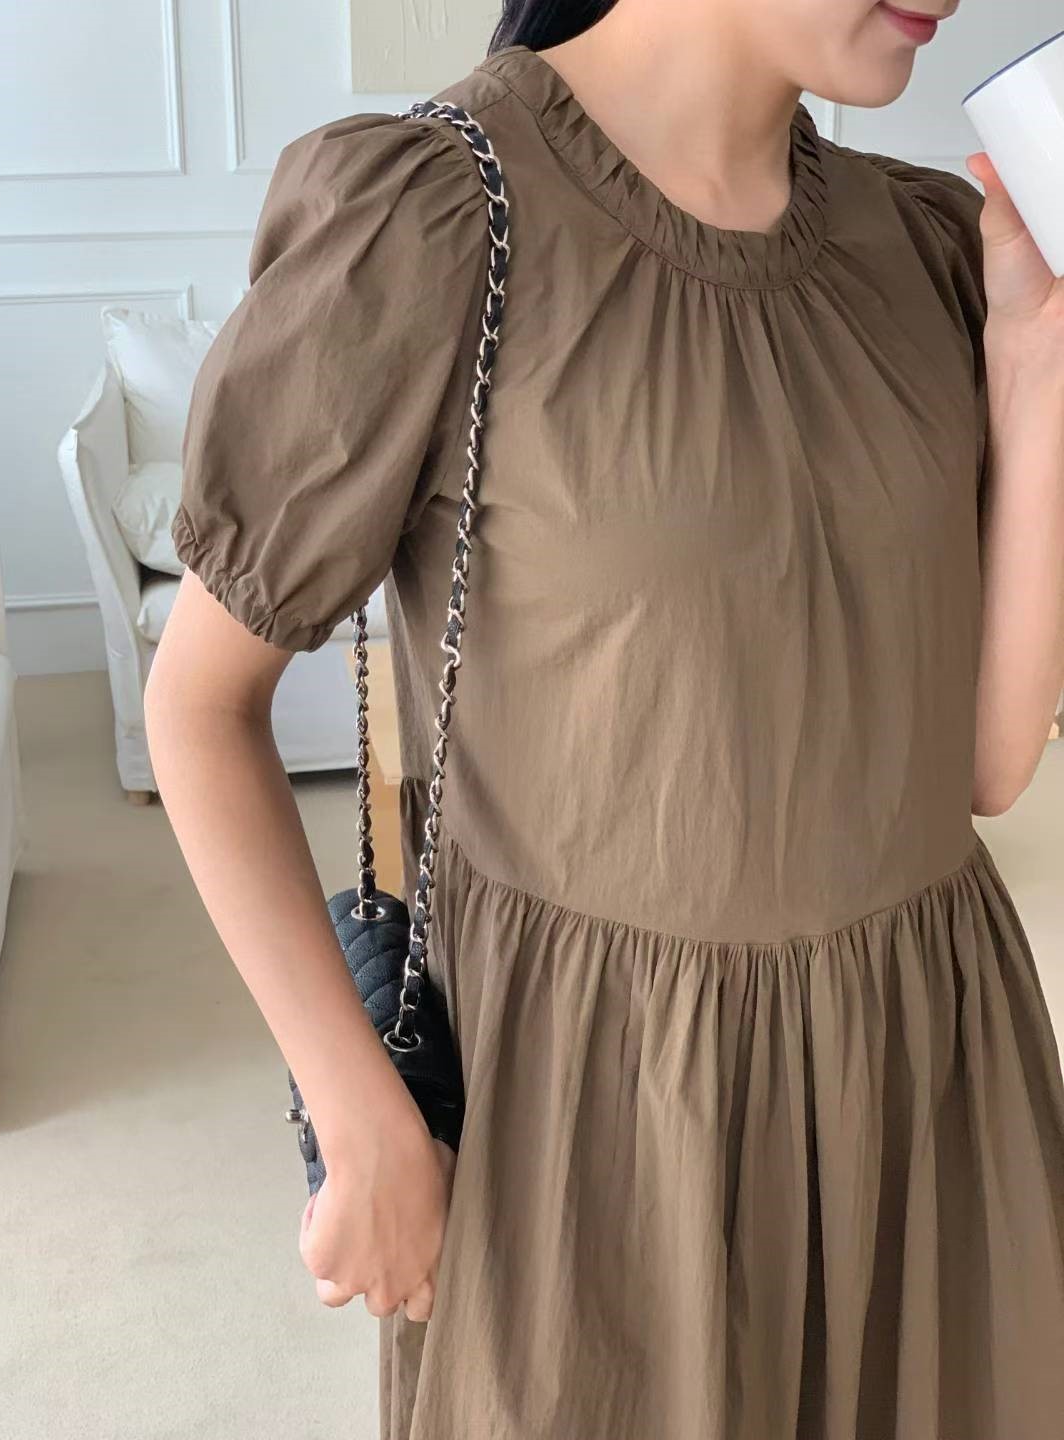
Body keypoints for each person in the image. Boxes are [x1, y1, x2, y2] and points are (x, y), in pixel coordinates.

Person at [145, 0, 1064, 1435]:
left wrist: (1036, 360)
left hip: (921, 1078)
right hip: (600, 1124)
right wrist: (358, 1109)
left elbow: (985, 767)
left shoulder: (925, 243)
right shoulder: (442, 216)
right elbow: (201, 705)